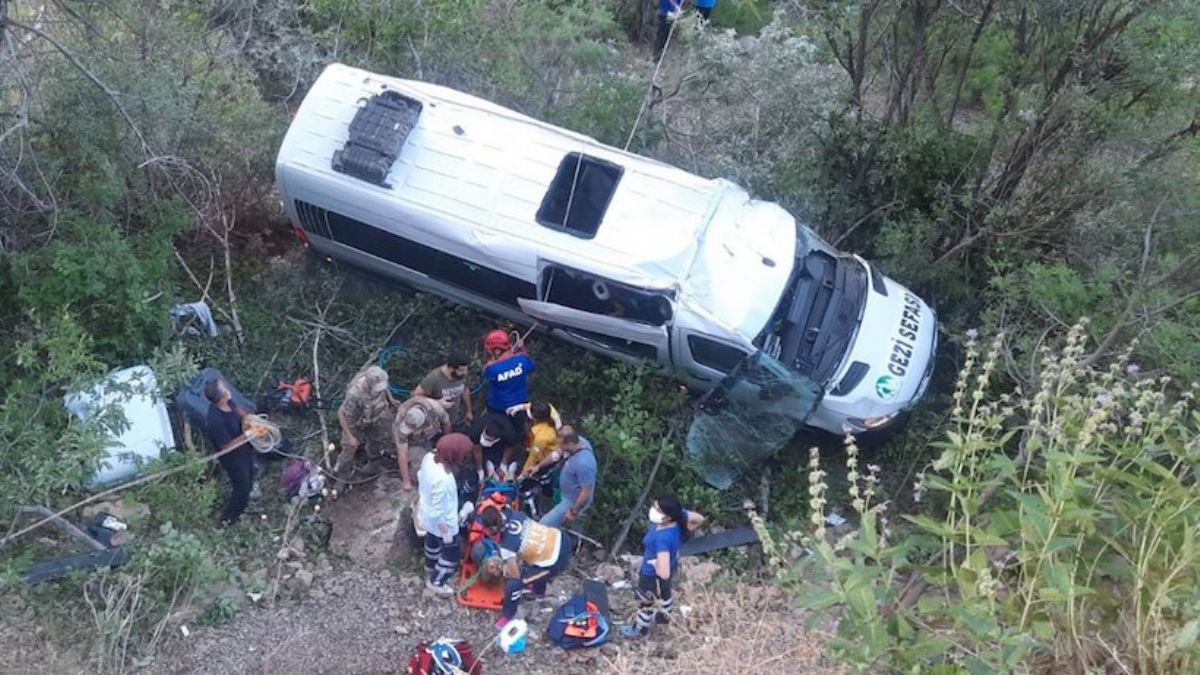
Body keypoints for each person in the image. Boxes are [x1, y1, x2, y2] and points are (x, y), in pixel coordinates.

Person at [622, 496, 706, 638]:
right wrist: (681, 513)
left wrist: (656, 564)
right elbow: (699, 519)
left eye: (658, 509)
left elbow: (664, 573)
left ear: (667, 517)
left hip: (651, 574)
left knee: (646, 601)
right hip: (672, 563)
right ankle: (663, 617)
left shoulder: (663, 538)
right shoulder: (678, 521)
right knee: (665, 592)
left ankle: (640, 629)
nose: (653, 511)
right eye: (654, 507)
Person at [479, 505, 573, 628]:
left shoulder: (507, 545)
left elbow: (516, 576)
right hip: (561, 538)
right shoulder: (514, 514)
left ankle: (508, 616)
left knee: (514, 585)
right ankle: (538, 593)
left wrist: (507, 570)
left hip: (555, 560)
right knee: (534, 563)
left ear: (491, 529)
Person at [418, 433, 474, 596]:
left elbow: (420, 476)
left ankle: (430, 566)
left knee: (432, 541)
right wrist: (447, 532)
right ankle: (436, 581)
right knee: (451, 553)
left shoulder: (429, 457)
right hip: (442, 521)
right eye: (463, 455)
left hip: (426, 513)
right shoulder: (444, 479)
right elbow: (438, 513)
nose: (464, 458)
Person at [202, 379, 257, 525]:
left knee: (250, 475)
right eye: (224, 388)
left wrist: (252, 422)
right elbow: (226, 446)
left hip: (244, 449)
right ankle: (228, 519)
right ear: (221, 397)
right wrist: (248, 435)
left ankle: (245, 501)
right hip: (233, 459)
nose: (227, 388)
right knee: (242, 487)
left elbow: (241, 414)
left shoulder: (228, 403)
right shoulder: (215, 421)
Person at [335, 365, 398, 477]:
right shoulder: (354, 395)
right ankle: (342, 475)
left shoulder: (378, 381)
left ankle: (373, 464)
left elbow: (384, 389)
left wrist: (391, 399)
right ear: (368, 384)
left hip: (374, 418)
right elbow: (342, 414)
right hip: (355, 423)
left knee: (375, 441)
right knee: (349, 449)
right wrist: (350, 437)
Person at [537, 424, 597, 528]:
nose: (560, 448)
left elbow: (586, 492)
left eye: (562, 446)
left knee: (543, 525)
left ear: (570, 443)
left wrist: (573, 512)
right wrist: (538, 467)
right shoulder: (577, 442)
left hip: (572, 500)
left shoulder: (584, 463)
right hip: (564, 492)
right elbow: (556, 454)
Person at [481, 330, 535, 436]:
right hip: (520, 405)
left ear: (496, 351)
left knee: (495, 430)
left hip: (498, 407)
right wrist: (521, 350)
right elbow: (531, 367)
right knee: (518, 431)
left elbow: (487, 377)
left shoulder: (491, 368)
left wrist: (493, 361)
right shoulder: (522, 359)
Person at [392, 395, 451, 491]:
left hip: (427, 436)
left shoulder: (435, 408)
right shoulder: (401, 422)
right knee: (421, 467)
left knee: (434, 460)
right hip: (412, 442)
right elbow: (402, 453)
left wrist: (446, 442)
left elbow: (446, 423)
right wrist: (406, 482)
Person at [517, 402, 563, 515]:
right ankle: (547, 489)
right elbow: (534, 406)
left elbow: (533, 457)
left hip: (546, 458)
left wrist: (523, 474)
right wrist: (520, 407)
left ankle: (533, 512)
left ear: (535, 417)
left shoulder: (540, 438)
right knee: (544, 477)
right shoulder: (549, 411)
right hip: (550, 452)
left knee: (524, 486)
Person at [413, 350, 474, 431]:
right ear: (451, 368)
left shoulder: (461, 376)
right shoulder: (434, 378)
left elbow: (465, 390)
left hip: (453, 418)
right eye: (461, 370)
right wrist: (436, 403)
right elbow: (416, 395)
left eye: (466, 370)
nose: (465, 373)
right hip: (435, 423)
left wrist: (468, 411)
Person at [468, 411, 522, 482]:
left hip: (504, 421)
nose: (486, 440)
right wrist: (480, 470)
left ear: (498, 439)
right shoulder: (475, 431)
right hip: (489, 416)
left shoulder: (510, 434)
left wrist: (504, 464)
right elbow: (476, 450)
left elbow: (510, 447)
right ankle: (489, 468)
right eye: (485, 438)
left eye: (489, 440)